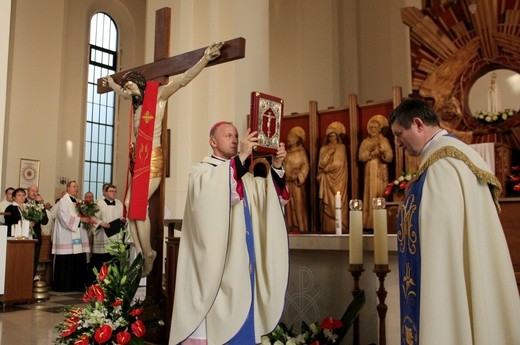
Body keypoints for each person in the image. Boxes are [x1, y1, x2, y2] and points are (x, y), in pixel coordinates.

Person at [389, 98, 520, 345]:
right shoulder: (457, 157)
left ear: (418, 124)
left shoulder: (442, 166)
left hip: (448, 281)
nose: (397, 143)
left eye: (399, 134)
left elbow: (441, 244)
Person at [102, 42, 224, 276]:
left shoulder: (158, 96)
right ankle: (142, 251)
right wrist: (113, 84)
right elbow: (122, 93)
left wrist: (205, 59)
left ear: (139, 85)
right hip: (137, 160)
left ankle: (149, 253)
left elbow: (183, 80)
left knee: (138, 207)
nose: (129, 91)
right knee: (128, 206)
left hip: (153, 159)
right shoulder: (136, 105)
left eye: (131, 87)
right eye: (127, 88)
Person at [169, 122, 289, 345]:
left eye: (236, 135)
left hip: (243, 267)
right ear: (212, 141)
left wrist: (278, 165)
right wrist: (242, 157)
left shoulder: (245, 177)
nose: (235, 139)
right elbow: (210, 198)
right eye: (228, 136)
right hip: (216, 270)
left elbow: (270, 200)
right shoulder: (201, 172)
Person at [52, 180, 91, 292]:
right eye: (74, 187)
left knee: (78, 260)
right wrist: (81, 219)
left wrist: (86, 216)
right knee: (66, 261)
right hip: (66, 236)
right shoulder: (63, 201)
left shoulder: (78, 202)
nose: (76, 189)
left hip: (78, 235)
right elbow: (64, 219)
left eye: (77, 187)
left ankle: (77, 285)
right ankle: (64, 286)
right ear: (68, 188)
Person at [358, 115, 393, 228]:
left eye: (375, 127)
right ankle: (369, 222)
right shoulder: (365, 142)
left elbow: (390, 156)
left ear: (379, 129)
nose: (373, 130)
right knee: (370, 196)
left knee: (380, 194)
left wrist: (383, 153)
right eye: (371, 127)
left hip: (381, 170)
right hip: (369, 171)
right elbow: (361, 157)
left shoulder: (384, 140)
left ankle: (381, 223)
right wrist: (371, 153)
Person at [89, 184, 126, 283]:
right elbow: (92, 218)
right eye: (111, 191)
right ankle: (99, 282)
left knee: (115, 260)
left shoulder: (119, 203)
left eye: (115, 191)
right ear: (104, 192)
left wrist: (122, 220)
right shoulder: (98, 204)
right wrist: (101, 223)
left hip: (116, 236)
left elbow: (122, 217)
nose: (113, 193)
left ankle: (114, 282)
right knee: (102, 260)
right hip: (103, 236)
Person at [317, 121, 348, 233]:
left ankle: (341, 227)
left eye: (333, 135)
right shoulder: (323, 149)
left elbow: (338, 163)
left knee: (337, 201)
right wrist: (329, 153)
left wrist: (327, 168)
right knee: (327, 205)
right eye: (329, 136)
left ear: (337, 136)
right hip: (325, 180)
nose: (331, 138)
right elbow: (320, 165)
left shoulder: (341, 147)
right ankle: (327, 228)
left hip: (338, 179)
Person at [284, 126, 309, 232]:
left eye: (291, 136)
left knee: (298, 206)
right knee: (288, 207)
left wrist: (298, 176)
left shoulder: (302, 152)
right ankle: (290, 227)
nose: (288, 138)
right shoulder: (286, 153)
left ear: (297, 138)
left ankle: (301, 227)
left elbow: (305, 167)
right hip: (287, 183)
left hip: (297, 185)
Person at [25, 184, 50, 277]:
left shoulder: (39, 204)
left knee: (34, 260)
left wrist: (41, 205)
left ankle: (31, 280)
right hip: (24, 236)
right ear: (28, 191)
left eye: (36, 191)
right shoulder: (22, 202)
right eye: (32, 191)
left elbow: (45, 221)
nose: (34, 193)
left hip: (36, 236)